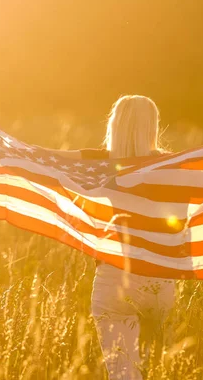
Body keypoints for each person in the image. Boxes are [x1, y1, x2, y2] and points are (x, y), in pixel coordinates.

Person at [52, 95, 176, 379]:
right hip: (160, 279)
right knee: (157, 370)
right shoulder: (173, 166)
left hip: (113, 280)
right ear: (152, 127)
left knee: (123, 373)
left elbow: (47, 158)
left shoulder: (97, 165)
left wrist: (8, 148)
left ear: (114, 125)